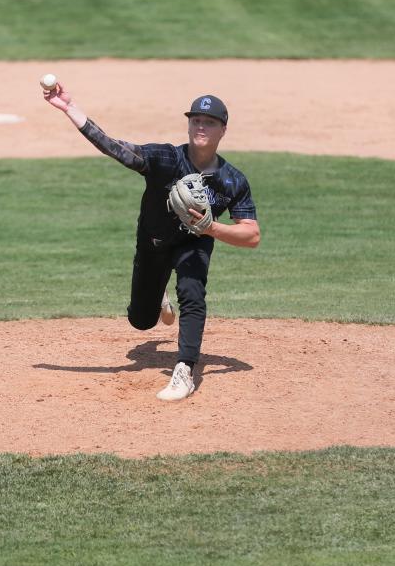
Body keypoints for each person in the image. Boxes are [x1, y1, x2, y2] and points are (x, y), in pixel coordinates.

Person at [43, 81, 260, 401]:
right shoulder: (166, 158)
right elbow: (115, 148)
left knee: (192, 293)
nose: (201, 125)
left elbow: (251, 235)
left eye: (209, 122)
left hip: (194, 242)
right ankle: (158, 295)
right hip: (154, 242)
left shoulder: (232, 179)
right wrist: (70, 109)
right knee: (141, 321)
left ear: (222, 130)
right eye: (195, 119)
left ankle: (184, 370)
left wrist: (210, 227)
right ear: (188, 123)